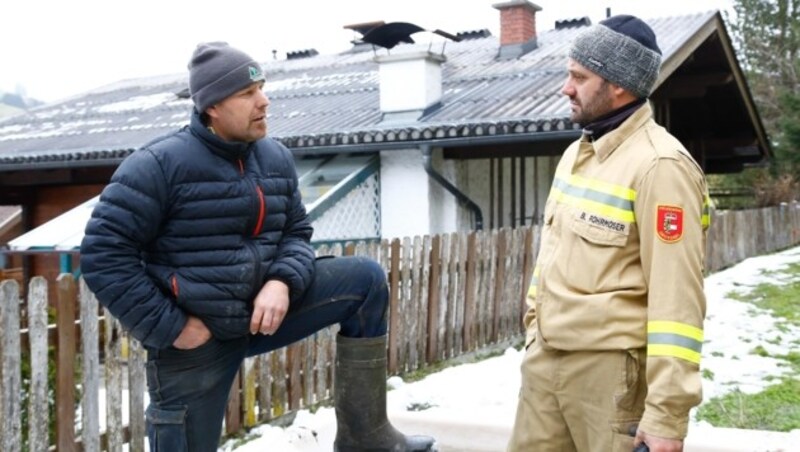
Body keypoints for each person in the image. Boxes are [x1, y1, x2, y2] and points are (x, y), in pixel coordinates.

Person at [80, 42, 436, 452]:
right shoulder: (157, 165)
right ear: (212, 105)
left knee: (365, 281)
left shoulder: (275, 158)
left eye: (262, 89)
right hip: (199, 335)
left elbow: (296, 231)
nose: (264, 102)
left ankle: (367, 438)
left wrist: (282, 281)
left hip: (264, 314)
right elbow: (104, 255)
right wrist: (172, 328)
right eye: (247, 94)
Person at [507, 15, 710, 452]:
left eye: (579, 77)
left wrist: (666, 416)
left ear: (619, 84)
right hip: (545, 367)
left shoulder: (661, 166)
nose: (566, 88)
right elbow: (552, 255)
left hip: (610, 380)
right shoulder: (576, 154)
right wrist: (533, 332)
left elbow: (678, 302)